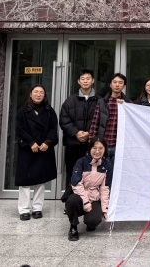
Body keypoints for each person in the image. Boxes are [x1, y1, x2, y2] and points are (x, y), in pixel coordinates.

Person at [15, 85, 58, 221]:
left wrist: (48, 142)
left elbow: (53, 129)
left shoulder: (49, 111)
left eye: (41, 92)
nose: (38, 94)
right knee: (25, 181)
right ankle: (24, 209)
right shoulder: (22, 111)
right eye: (36, 92)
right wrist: (30, 142)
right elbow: (19, 129)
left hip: (43, 149)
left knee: (41, 180)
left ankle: (37, 208)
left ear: (44, 95)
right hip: (27, 150)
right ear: (30, 94)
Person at [59, 68, 100, 201]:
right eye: (83, 79)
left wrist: (89, 134)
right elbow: (64, 120)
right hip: (73, 144)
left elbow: (102, 121)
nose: (85, 81)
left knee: (92, 174)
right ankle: (70, 201)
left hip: (92, 145)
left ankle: (89, 201)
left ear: (93, 80)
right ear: (78, 81)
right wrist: (76, 132)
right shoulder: (70, 101)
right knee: (72, 172)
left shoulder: (99, 100)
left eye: (88, 79)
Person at [66, 137, 112, 241]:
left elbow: (105, 189)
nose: (97, 151)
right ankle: (73, 227)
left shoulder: (106, 164)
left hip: (94, 197)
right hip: (80, 196)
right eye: (94, 148)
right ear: (89, 148)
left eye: (101, 148)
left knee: (93, 220)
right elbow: (76, 184)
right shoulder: (81, 162)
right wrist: (86, 202)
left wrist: (105, 209)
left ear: (105, 149)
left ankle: (90, 223)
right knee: (72, 201)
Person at [89, 73, 131, 172]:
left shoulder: (128, 103)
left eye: (120, 83)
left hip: (119, 146)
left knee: (117, 173)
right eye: (115, 82)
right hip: (103, 144)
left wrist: (125, 105)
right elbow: (95, 123)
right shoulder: (102, 102)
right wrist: (92, 143)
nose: (117, 85)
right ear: (110, 84)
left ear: (124, 86)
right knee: (101, 172)